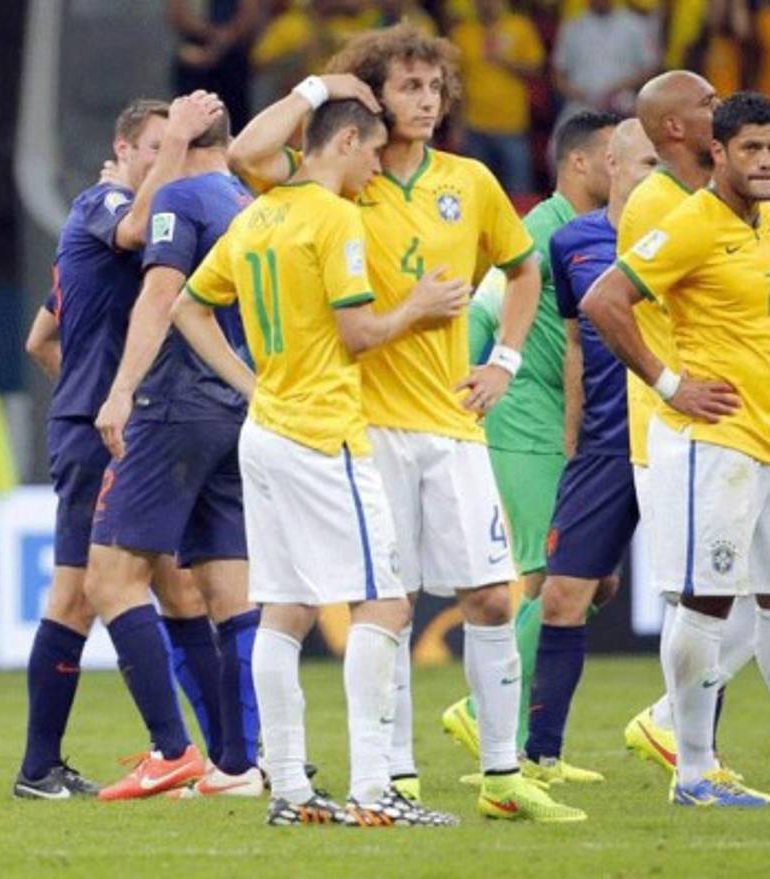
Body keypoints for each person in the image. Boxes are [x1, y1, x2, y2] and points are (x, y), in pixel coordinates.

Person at [227, 25, 583, 823]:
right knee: (386, 603)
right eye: (409, 87)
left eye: (435, 87)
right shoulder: (335, 181)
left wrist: (507, 362)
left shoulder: (471, 180)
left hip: (452, 423)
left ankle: (500, 773)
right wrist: (321, 89)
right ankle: (393, 774)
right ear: (372, 98)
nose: (427, 101)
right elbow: (247, 154)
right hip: (365, 426)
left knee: (494, 595)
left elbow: (525, 269)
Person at [583, 92, 770, 807]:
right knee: (706, 604)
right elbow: (605, 300)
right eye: (749, 149)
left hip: (767, 440)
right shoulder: (690, 222)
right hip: (708, 444)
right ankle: (692, 771)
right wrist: (668, 384)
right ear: (716, 154)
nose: (764, 162)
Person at [170, 97, 462, 827]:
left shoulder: (259, 216)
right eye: (372, 153)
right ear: (349, 139)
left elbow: (188, 304)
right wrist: (420, 308)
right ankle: (372, 788)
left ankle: (293, 791)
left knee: (287, 609)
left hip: (266, 430)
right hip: (321, 432)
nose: (375, 168)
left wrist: (249, 381)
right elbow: (359, 332)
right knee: (386, 601)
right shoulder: (337, 219)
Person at [14, 93, 225, 800]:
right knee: (77, 595)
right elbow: (133, 229)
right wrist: (89, 401)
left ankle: (223, 754)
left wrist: (82, 382)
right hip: (98, 430)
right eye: (160, 143)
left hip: (131, 424)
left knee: (179, 586)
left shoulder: (126, 230)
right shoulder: (101, 205)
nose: (174, 151)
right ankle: (43, 767)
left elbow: (41, 335)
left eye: (182, 141)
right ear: (125, 148)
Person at [87, 105, 263, 801]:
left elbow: (162, 296)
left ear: (186, 143)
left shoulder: (182, 199)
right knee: (228, 592)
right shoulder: (245, 203)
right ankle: (243, 762)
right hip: (233, 404)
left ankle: (172, 751)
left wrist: (123, 389)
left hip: (175, 403)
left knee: (111, 578)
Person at [442, 110, 618, 778]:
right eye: (614, 157)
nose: (626, 169)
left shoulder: (593, 234)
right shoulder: (537, 231)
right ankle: (488, 717)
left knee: (593, 581)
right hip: (523, 421)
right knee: (553, 579)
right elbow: (484, 310)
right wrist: (470, 384)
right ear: (578, 163)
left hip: (565, 421)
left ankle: (533, 743)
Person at [606, 71, 753, 786]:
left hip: (724, 427)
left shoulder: (715, 201)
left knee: (754, 599)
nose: (718, 108)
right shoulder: (659, 204)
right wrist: (671, 385)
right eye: (706, 103)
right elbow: (623, 306)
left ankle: (674, 723)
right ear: (673, 129)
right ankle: (689, 751)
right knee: (701, 597)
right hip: (674, 426)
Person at [518, 119, 657, 791]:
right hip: (603, 441)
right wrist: (573, 441)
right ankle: (540, 754)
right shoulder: (570, 241)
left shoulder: (685, 234)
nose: (656, 173)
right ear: (612, 162)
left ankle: (693, 748)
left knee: (704, 598)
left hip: (672, 435)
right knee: (565, 594)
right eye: (646, 161)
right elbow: (575, 346)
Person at [450, 0, 545, 194]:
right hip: (474, 126)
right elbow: (455, 83)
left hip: (512, 125)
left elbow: (537, 69)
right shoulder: (462, 33)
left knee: (519, 193)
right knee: (477, 194)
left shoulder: (520, 27)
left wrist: (505, 61)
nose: (487, 4)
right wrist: (456, 126)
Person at [552, 0, 659, 124]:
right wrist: (585, 96)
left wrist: (619, 88)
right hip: (580, 105)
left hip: (623, 103)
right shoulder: (573, 27)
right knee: (564, 137)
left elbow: (650, 68)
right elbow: (557, 75)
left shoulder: (634, 25)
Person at [168, 0, 261, 129]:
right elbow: (178, 15)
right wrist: (209, 39)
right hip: (194, 56)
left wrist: (221, 44)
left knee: (235, 121)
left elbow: (249, 15)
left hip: (232, 59)